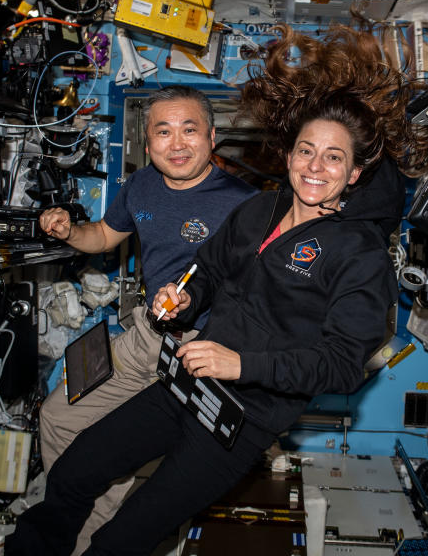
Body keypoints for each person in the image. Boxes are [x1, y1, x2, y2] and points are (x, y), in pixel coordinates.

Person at [7, 25, 428, 556]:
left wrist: (241, 365)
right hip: (183, 384)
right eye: (306, 151)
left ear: (353, 174)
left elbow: (343, 366)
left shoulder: (360, 253)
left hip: (240, 421)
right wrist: (186, 297)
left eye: (333, 158)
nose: (315, 167)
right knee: (73, 472)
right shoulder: (259, 210)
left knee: (124, 535)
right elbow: (206, 271)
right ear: (288, 156)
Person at [36, 85, 255, 553]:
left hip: (202, 350)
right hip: (145, 337)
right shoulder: (139, 186)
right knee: (57, 417)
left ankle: (90, 539)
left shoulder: (244, 204)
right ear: (147, 142)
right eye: (163, 131)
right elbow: (101, 237)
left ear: (212, 137)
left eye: (189, 129)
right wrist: (69, 230)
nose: (176, 143)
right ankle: (77, 528)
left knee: (125, 449)